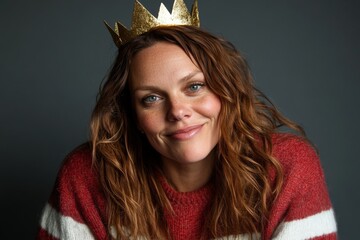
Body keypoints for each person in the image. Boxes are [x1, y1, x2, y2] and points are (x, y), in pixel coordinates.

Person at [37, 0, 337, 239]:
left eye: (194, 87)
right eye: (151, 98)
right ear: (133, 117)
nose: (178, 110)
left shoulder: (286, 169)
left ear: (225, 92)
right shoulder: (85, 177)